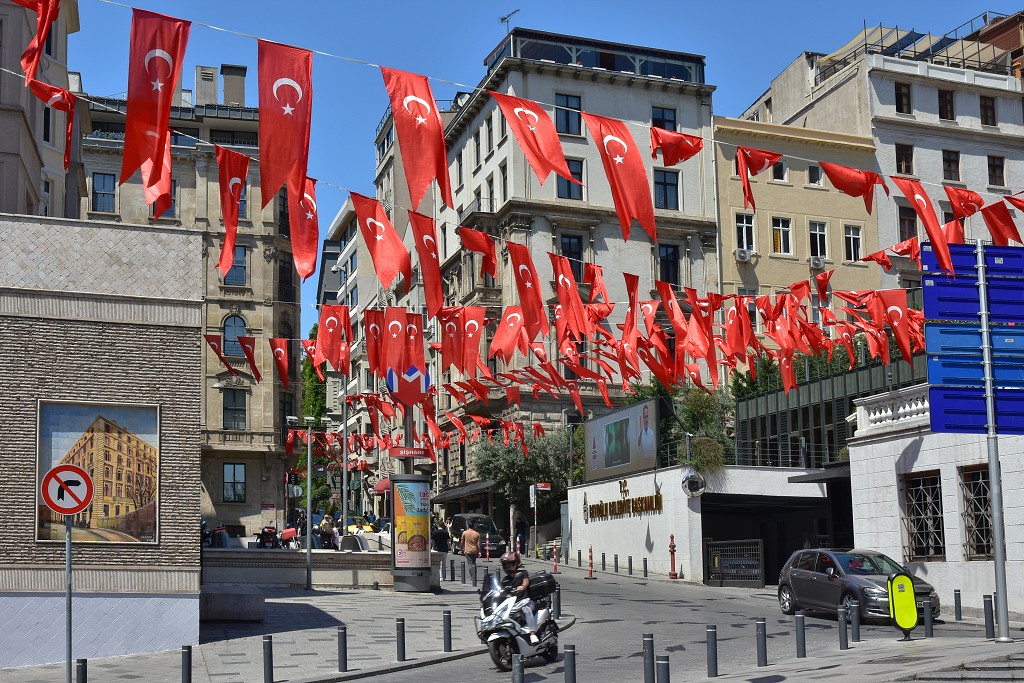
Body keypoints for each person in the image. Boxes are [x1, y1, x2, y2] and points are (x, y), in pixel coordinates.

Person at [500, 551, 539, 643]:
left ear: (516, 563)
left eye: (510, 564)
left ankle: (532, 633)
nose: (508, 567)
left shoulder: (522, 573)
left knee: (526, 609)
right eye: (506, 565)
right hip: (514, 604)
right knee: (503, 615)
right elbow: (501, 590)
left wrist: (523, 586)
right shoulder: (505, 580)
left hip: (526, 601)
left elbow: (526, 581)